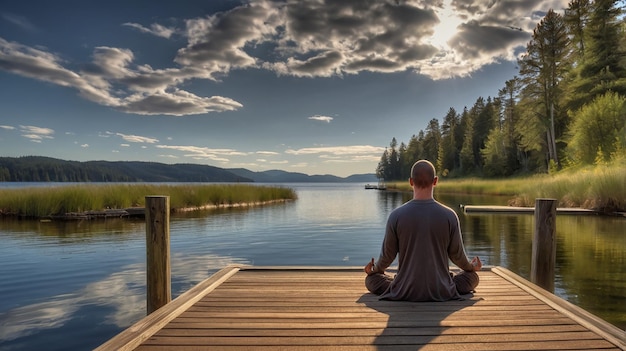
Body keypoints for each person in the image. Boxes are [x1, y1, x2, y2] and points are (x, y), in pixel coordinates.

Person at [364, 159, 482, 301]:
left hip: (404, 290)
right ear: (435, 181)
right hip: (442, 289)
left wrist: (374, 270)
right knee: (472, 278)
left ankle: (399, 282)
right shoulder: (450, 215)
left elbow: (387, 258)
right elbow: (457, 257)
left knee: (371, 280)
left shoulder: (396, 216)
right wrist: (471, 267)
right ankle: (444, 281)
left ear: (411, 182)